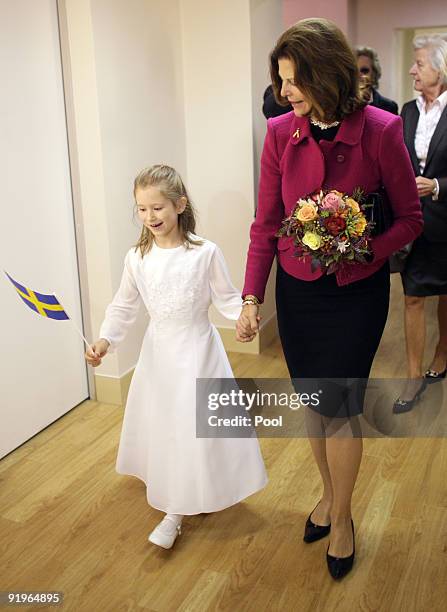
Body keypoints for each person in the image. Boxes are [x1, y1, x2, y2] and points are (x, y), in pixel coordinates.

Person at [236, 18, 422, 580]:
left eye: (293, 81)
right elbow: (266, 223)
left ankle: (341, 519)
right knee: (315, 405)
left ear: (325, 75)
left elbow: (410, 221)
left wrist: (361, 247)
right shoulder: (277, 133)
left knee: (341, 408)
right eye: (282, 81)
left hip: (354, 295)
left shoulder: (383, 130)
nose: (284, 93)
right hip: (298, 294)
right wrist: (251, 296)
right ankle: (327, 494)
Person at [85, 164, 267, 549]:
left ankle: (179, 508)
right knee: (168, 424)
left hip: (198, 352)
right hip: (159, 355)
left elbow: (227, 297)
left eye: (158, 208)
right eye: (142, 209)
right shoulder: (137, 257)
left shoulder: (204, 253)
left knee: (193, 424)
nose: (150, 217)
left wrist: (244, 319)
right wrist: (106, 340)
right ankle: (176, 492)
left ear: (180, 205)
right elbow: (124, 306)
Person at [394, 34, 447, 413]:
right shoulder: (406, 111)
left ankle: (442, 356)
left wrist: (439, 185)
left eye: (420, 64)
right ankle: (413, 378)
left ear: (441, 71)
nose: (413, 69)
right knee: (412, 296)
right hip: (412, 222)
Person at [354, 46, 399, 114]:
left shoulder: (389, 107)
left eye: (364, 71)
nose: (359, 76)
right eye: (355, 71)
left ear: (374, 74)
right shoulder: (342, 105)